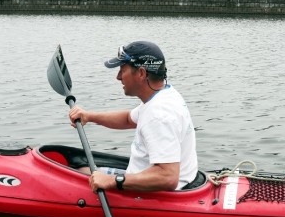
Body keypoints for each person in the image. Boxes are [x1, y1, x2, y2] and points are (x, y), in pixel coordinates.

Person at [68, 41, 198, 193]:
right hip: (164, 179)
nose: (118, 77)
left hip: (157, 194)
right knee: (82, 170)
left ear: (142, 73)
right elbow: (128, 119)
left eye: (122, 70)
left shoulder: (158, 114)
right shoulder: (165, 94)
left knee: (77, 178)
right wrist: (89, 116)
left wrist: (112, 181)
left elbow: (168, 177)